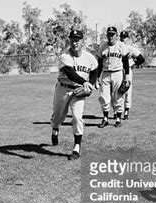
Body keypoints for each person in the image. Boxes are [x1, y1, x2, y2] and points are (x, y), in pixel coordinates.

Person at [50, 29, 98, 160]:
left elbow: (94, 71)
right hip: (63, 89)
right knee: (58, 116)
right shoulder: (65, 55)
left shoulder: (89, 57)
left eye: (77, 40)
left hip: (78, 91)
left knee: (77, 117)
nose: (74, 43)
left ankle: (76, 147)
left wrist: (91, 84)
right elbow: (70, 73)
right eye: (72, 40)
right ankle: (55, 128)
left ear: (82, 41)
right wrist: (85, 83)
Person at [96, 27, 133, 128]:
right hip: (105, 74)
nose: (111, 36)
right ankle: (105, 119)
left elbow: (125, 62)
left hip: (118, 73)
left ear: (116, 35)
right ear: (107, 35)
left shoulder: (121, 46)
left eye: (113, 34)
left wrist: (127, 77)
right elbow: (99, 64)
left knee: (118, 97)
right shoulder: (102, 46)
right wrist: (97, 78)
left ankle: (118, 118)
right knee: (104, 97)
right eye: (109, 34)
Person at [119, 31, 145, 120]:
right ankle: (117, 110)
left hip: (128, 70)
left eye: (125, 37)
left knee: (127, 90)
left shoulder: (130, 48)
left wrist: (133, 63)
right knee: (117, 90)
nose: (123, 38)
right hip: (118, 70)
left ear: (128, 38)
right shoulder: (117, 47)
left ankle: (126, 110)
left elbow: (141, 59)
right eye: (122, 37)